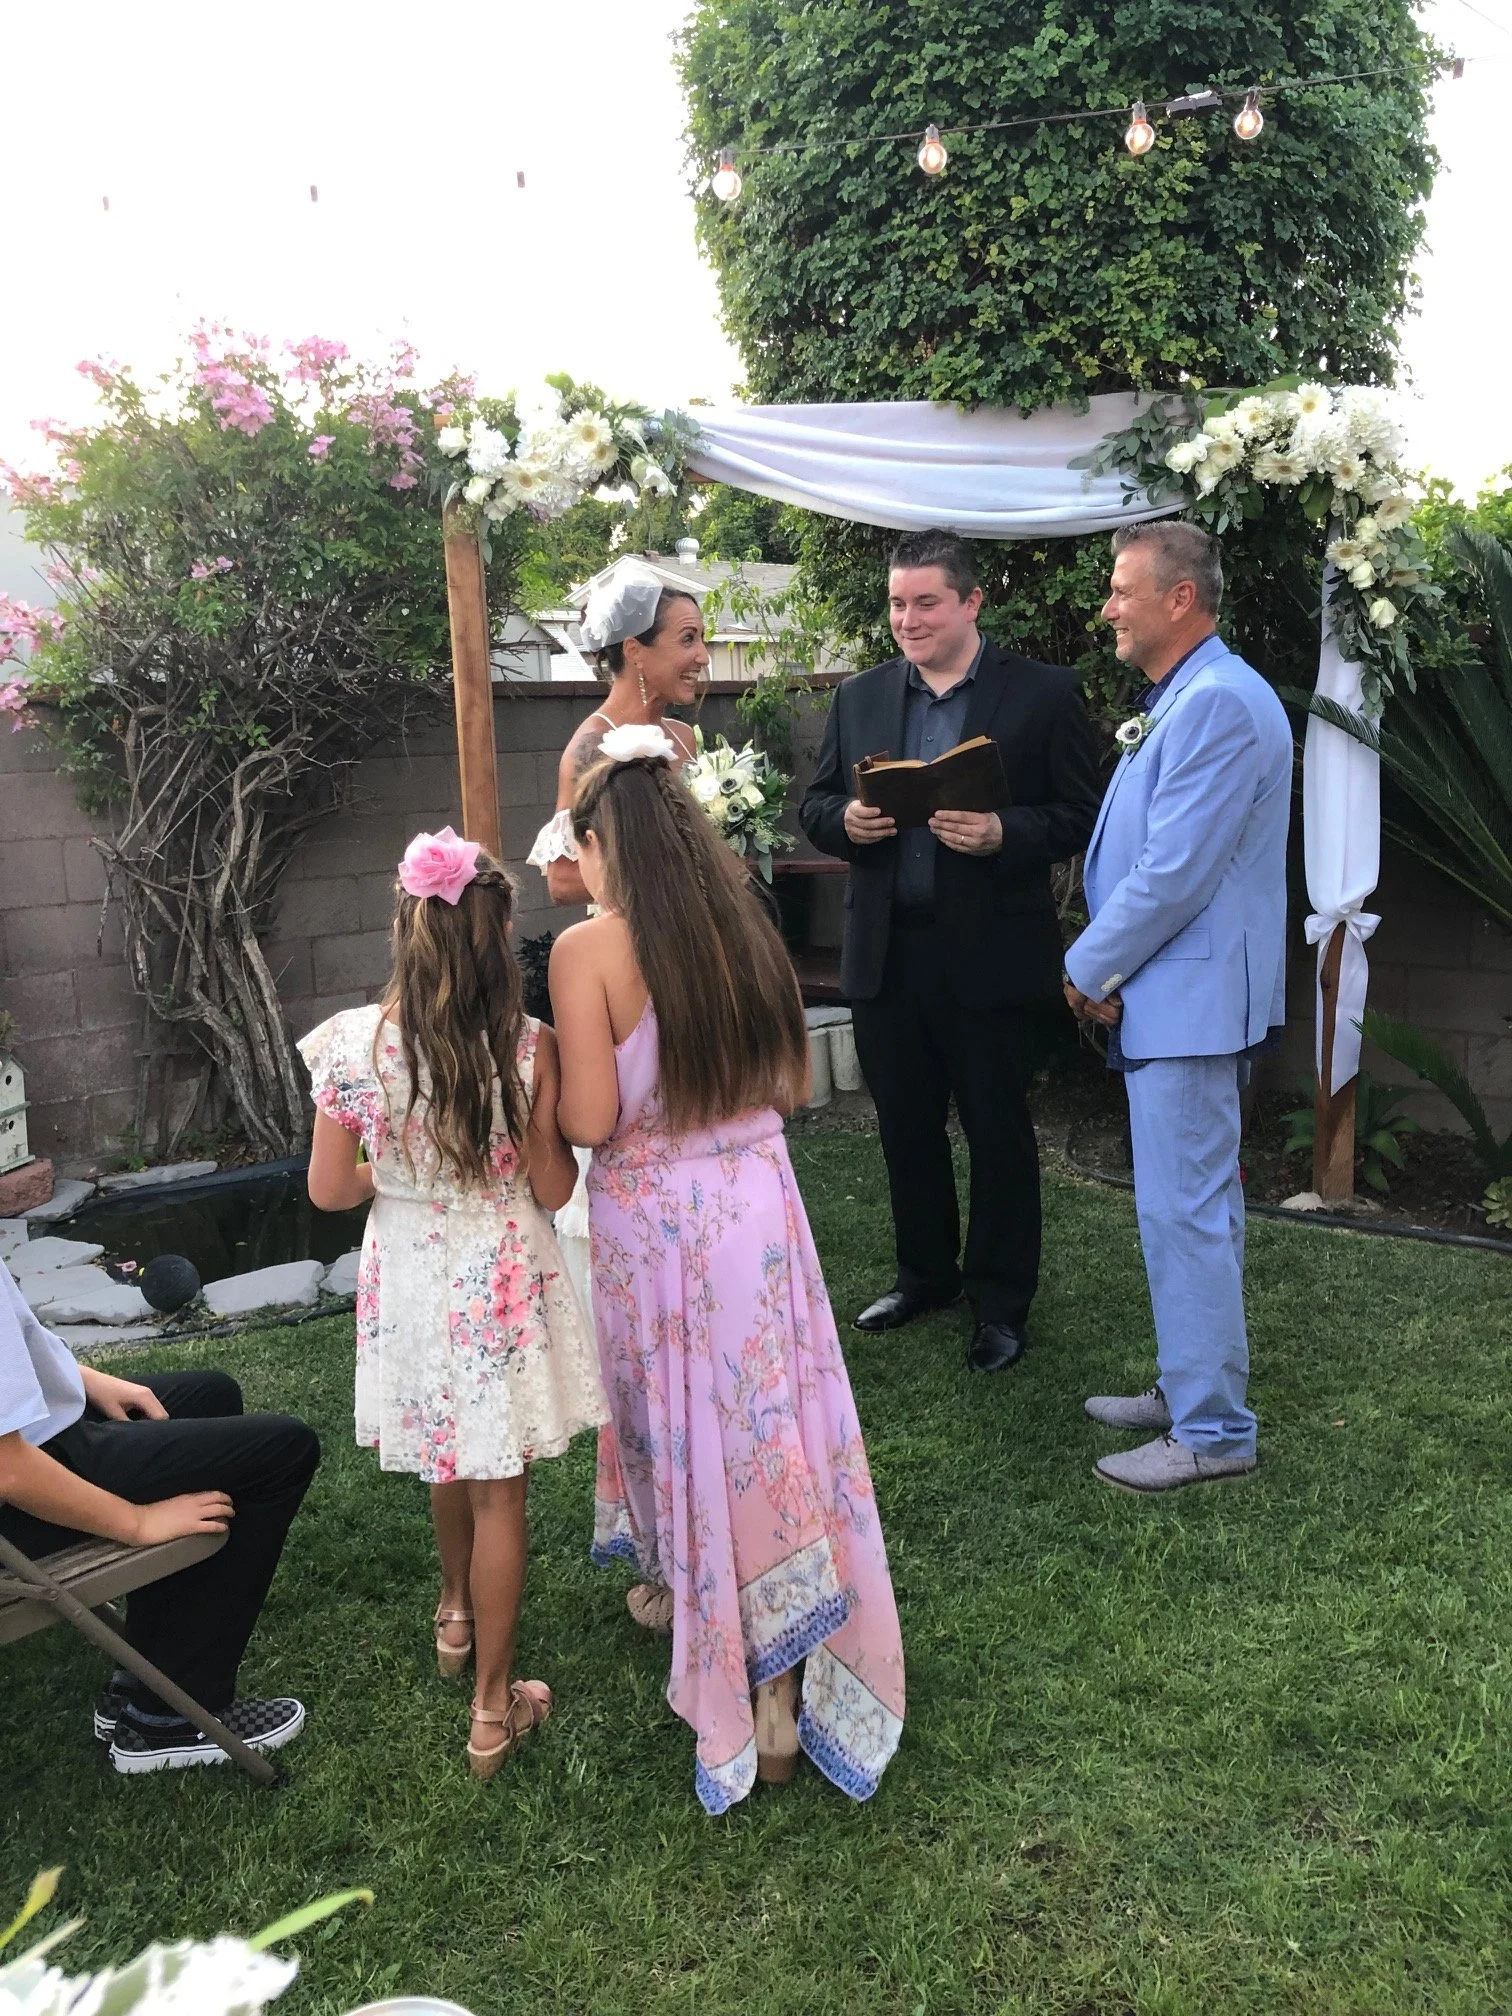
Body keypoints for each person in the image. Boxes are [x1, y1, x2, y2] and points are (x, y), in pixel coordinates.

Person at [549, 726, 905, 1813]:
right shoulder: (743, 929)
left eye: (582, 849)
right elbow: (791, 1084)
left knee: (685, 1414)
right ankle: (785, 1673)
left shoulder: (587, 952)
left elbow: (592, 1119)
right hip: (759, 1205)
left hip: (656, 1224)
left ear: (610, 846)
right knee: (772, 1420)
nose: (580, 870)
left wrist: (546, 1078)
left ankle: (737, 1650)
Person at [300, 827, 606, 1775]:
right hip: (502, 1273)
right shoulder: (530, 1047)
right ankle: (490, 1710)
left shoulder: (354, 1045)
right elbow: (554, 1190)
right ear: (500, 932)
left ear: (407, 927)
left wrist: (394, 1174)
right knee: (499, 1482)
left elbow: (329, 1191)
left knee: (446, 1447)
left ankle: (454, 1614)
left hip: (413, 1273)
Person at [801, 528, 1102, 1372]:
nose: (908, 618)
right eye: (897, 603)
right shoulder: (859, 696)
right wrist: (845, 823)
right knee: (905, 1128)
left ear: (972, 601)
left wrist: (1007, 829)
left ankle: (1001, 1303)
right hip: (887, 955)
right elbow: (818, 802)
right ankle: (924, 1275)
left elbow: (1083, 813)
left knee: (1000, 1134)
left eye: (926, 601)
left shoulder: (1043, 693)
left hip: (993, 956)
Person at [1063, 522, 1291, 1493]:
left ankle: (1212, 1430)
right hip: (1176, 998)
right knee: (1191, 1211)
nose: (1108, 607)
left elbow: (1173, 876)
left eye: (1121, 590)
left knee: (1187, 1215)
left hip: (1188, 1002)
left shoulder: (1220, 705)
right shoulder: (1193, 696)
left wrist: (1085, 965)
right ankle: (1188, 1386)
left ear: (1180, 599)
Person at [526, 559, 708, 1585]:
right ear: (634, 651)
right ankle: (647, 1526)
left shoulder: (686, 739)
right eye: (685, 638)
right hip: (629, 983)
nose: (700, 656)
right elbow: (563, 875)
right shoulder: (591, 747)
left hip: (689, 975)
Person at [0, 1255, 318, 1774]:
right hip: (18, 1497)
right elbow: (7, 1469)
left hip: (36, 1440)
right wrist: (138, 1521)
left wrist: (77, 1381)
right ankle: (167, 1718)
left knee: (209, 1395)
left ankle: (146, 1671)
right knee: (283, 1451)